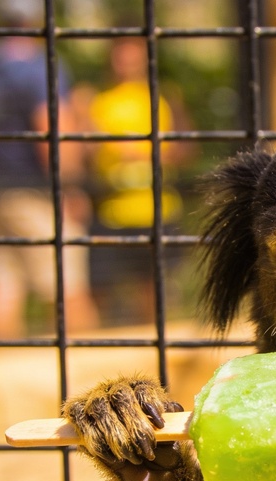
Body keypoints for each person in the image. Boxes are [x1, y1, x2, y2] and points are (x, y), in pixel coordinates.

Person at [0, 0, 98, 338]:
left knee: (2, 284)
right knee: (68, 288)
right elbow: (49, 130)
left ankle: (1, 382)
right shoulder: (41, 65)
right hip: (33, 191)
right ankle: (86, 380)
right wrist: (70, 187)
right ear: (36, 19)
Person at [82, 36, 191, 326]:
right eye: (121, 53)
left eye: (134, 52)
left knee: (153, 291)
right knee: (99, 291)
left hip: (156, 210)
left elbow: (185, 148)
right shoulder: (94, 99)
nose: (127, 60)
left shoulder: (165, 96)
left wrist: (145, 152)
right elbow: (83, 151)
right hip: (109, 210)